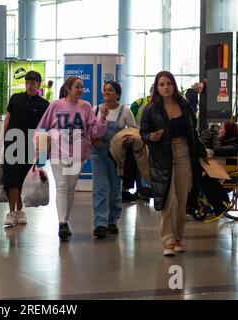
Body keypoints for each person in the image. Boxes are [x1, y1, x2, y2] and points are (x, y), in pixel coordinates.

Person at [140, 71, 208, 256]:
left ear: (174, 85)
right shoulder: (150, 109)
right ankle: (168, 241)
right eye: (161, 84)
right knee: (169, 199)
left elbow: (192, 131)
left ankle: (178, 238)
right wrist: (151, 137)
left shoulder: (185, 105)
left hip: (184, 153)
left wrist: (201, 151)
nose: (165, 87)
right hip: (162, 156)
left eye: (168, 83)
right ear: (157, 87)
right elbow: (143, 133)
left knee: (182, 197)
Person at [36, 76, 107, 240]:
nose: (81, 90)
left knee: (69, 188)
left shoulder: (86, 107)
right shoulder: (55, 105)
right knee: (61, 185)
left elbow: (94, 132)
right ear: (68, 88)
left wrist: (102, 118)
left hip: (77, 154)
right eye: (77, 87)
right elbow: (42, 126)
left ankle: (65, 220)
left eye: (82, 87)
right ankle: (62, 224)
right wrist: (40, 153)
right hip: (57, 152)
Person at [2, 71, 49, 226]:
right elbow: (7, 118)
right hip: (12, 142)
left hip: (31, 145)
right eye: (27, 82)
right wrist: (1, 139)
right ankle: (11, 212)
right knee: (11, 179)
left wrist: (42, 153)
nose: (29, 85)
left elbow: (45, 129)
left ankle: (21, 211)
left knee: (24, 178)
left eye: (33, 83)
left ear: (38, 85)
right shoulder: (15, 98)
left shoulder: (44, 104)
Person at [91, 81, 136, 239]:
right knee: (100, 188)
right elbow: (89, 129)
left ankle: (112, 220)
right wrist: (93, 139)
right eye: (105, 90)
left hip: (117, 155)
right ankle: (100, 224)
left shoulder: (125, 111)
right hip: (98, 154)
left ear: (118, 93)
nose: (107, 92)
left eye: (110, 90)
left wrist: (128, 139)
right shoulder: (95, 109)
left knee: (115, 188)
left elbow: (133, 131)